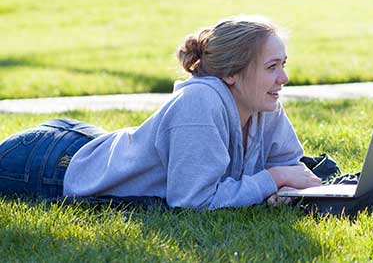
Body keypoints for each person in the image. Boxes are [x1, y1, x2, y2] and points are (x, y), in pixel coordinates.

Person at [0, 16, 323, 209]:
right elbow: (194, 201)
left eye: (283, 65)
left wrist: (286, 180)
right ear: (231, 74)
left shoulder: (263, 103)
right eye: (272, 67)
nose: (284, 78)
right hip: (50, 164)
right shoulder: (200, 102)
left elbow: (290, 164)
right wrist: (274, 179)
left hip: (88, 141)